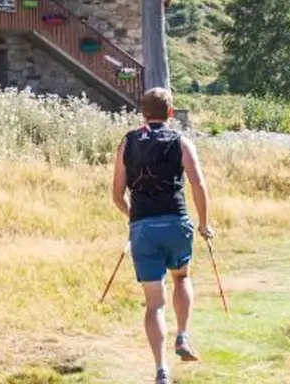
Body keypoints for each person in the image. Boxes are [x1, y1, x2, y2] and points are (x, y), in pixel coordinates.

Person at [111, 86, 213, 383]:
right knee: (181, 276)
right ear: (170, 113)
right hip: (176, 221)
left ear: (143, 113)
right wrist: (204, 225)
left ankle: (161, 370)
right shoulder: (181, 142)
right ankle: (182, 336)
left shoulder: (127, 143)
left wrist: (137, 219)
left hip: (142, 227)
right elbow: (198, 184)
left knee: (154, 303)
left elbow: (117, 196)